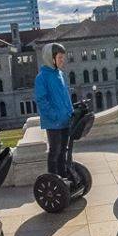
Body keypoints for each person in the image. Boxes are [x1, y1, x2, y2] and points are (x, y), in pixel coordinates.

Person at [35, 43, 75, 179]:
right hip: (53, 122)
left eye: (63, 57)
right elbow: (42, 101)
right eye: (60, 58)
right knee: (55, 151)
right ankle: (53, 179)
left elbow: (66, 96)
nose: (62, 60)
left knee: (64, 150)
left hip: (65, 120)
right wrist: (55, 115)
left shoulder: (61, 75)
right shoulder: (41, 77)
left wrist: (71, 112)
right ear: (50, 58)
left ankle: (63, 176)